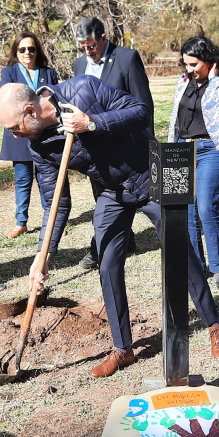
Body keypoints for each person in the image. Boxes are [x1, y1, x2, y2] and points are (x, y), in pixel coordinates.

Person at [0, 78, 219, 378]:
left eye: (15, 127)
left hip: (155, 167)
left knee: (178, 250)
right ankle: (123, 349)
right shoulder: (39, 146)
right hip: (112, 190)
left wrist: (91, 123)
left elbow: (142, 112)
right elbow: (56, 203)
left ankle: (214, 325)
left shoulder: (83, 89)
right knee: (107, 264)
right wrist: (43, 257)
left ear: (30, 111)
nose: (14, 136)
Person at [73, 16, 153, 270]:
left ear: (104, 37)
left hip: (126, 142)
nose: (88, 52)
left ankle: (102, 246)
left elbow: (143, 105)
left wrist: (146, 144)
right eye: (83, 47)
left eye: (91, 46)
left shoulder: (126, 58)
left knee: (130, 194)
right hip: (94, 146)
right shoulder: (79, 65)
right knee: (103, 197)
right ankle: (122, 241)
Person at [165, 36, 219, 287]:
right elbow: (175, 117)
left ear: (209, 61)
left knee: (206, 206)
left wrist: (216, 80)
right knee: (187, 209)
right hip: (184, 150)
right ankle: (196, 265)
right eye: (186, 64)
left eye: (194, 64)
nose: (189, 70)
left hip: (213, 149)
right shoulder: (183, 81)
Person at [0, 31, 60, 239]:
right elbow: (5, 101)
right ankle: (21, 222)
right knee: (23, 179)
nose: (27, 53)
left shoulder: (48, 73)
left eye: (31, 49)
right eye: (22, 49)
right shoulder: (9, 73)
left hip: (44, 134)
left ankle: (51, 220)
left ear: (37, 51)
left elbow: (55, 99)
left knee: (46, 179)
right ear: (16, 52)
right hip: (19, 134)